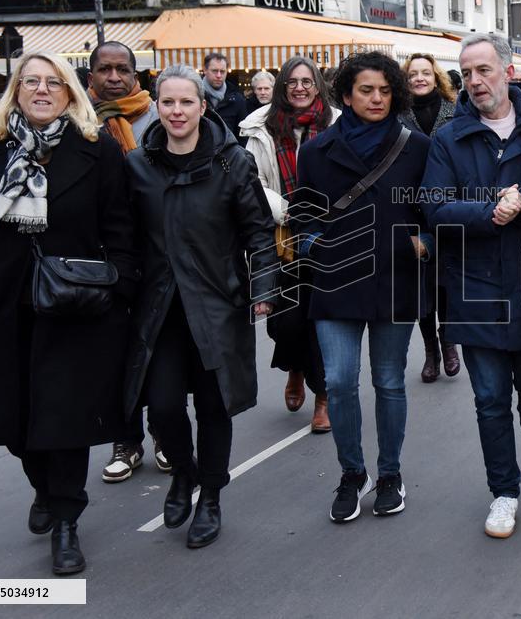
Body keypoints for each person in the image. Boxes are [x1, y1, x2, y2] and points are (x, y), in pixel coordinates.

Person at [0, 51, 138, 574]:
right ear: (16, 91)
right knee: (14, 421)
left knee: (64, 419)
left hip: (73, 308)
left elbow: (121, 229)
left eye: (53, 82)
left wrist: (116, 289)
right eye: (31, 81)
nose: (42, 90)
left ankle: (66, 520)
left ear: (70, 92)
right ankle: (43, 486)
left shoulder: (96, 150)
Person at [421, 33, 521, 539]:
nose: (474, 81)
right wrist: (489, 211)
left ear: (508, 72)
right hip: (474, 287)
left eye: (484, 70)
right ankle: (504, 493)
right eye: (467, 72)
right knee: (490, 398)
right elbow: (434, 206)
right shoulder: (449, 138)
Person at [125, 64, 277, 549]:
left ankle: (210, 496)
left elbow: (259, 232)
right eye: (167, 102)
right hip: (160, 309)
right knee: (163, 406)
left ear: (203, 106)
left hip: (217, 304)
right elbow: (125, 238)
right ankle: (184, 473)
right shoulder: (137, 165)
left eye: (186, 102)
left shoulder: (233, 162)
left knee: (214, 406)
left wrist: (263, 290)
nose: (176, 111)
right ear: (156, 106)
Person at [292, 51, 431, 523]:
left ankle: (390, 474)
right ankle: (353, 473)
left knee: (389, 382)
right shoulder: (315, 151)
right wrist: (317, 246)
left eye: (385, 90)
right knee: (338, 382)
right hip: (337, 281)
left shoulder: (418, 147)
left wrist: (424, 243)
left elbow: (433, 208)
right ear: (346, 96)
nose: (377, 98)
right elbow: (303, 216)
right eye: (366, 90)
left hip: (395, 279)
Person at [238, 56, 339, 432]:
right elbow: (254, 181)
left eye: (306, 81)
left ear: (318, 86)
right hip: (282, 237)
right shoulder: (260, 128)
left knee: (322, 320)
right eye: (292, 82)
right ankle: (295, 366)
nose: (299, 88)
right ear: (282, 86)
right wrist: (289, 211)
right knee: (287, 322)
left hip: (328, 234)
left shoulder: (337, 123)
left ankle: (323, 396)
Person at [86, 40, 168, 483]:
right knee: (115, 354)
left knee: (160, 348)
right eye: (105, 69)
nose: (114, 77)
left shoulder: (159, 115)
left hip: (157, 251)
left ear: (136, 75)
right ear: (92, 77)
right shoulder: (79, 121)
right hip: (104, 256)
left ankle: (164, 432)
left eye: (122, 69)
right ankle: (126, 440)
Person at [399, 52, 460, 382]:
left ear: (436, 77)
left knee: (446, 281)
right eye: (413, 74)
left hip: (448, 204)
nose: (419, 78)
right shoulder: (397, 114)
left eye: (425, 73)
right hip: (411, 207)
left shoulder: (455, 110)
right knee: (421, 285)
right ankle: (430, 351)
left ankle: (448, 340)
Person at [202, 52, 248, 141]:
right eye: (214, 71)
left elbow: (243, 135)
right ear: (205, 70)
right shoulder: (195, 96)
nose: (219, 75)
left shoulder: (237, 99)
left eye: (222, 71)